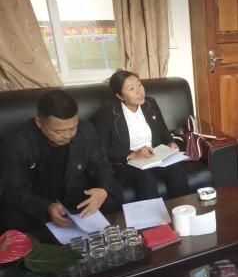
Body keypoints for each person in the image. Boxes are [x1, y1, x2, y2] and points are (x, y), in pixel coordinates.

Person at [0, 90, 123, 234]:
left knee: (113, 195)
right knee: (12, 219)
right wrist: (46, 207)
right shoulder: (17, 142)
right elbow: (11, 189)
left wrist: (103, 190)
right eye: (59, 132)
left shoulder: (86, 130)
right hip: (38, 200)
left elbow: (102, 167)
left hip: (76, 195)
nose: (67, 136)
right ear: (39, 122)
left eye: (72, 128)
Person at [93, 70, 190, 201]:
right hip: (127, 162)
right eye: (131, 88)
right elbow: (102, 149)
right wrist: (132, 154)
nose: (139, 91)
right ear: (120, 96)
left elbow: (163, 131)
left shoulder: (150, 103)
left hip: (154, 156)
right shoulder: (106, 114)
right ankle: (152, 215)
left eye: (139, 85)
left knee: (176, 168)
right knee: (146, 176)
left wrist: (170, 142)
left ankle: (184, 209)